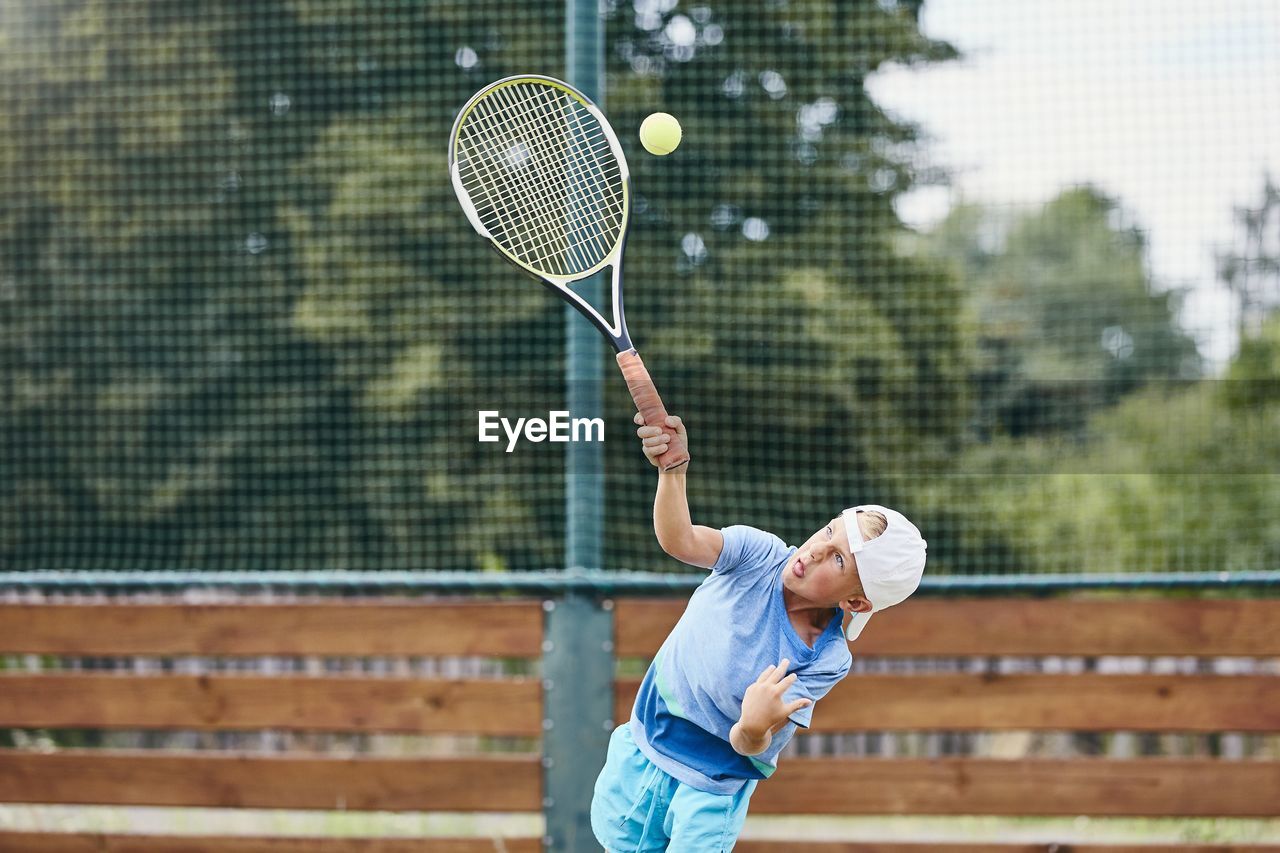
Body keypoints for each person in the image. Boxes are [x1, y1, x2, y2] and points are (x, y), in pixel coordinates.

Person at [590, 413, 928, 852]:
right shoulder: (758, 554)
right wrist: (672, 473)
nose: (816, 549)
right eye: (827, 532)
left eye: (839, 561)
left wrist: (752, 724)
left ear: (856, 602)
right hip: (644, 745)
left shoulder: (825, 659)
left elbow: (748, 744)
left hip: (711, 792)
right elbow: (681, 541)